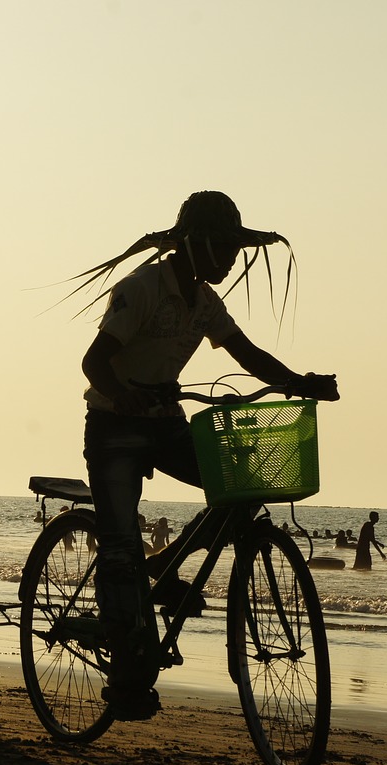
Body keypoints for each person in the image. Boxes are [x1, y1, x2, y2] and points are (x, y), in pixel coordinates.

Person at [75, 191, 339, 721]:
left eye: (234, 251)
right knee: (120, 544)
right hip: (115, 427)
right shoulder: (142, 289)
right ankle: (125, 669)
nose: (229, 260)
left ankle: (166, 563)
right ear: (194, 245)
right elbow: (94, 361)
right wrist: (123, 393)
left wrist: (298, 381)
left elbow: (246, 354)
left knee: (237, 490)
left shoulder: (203, 302)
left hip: (167, 424)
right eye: (221, 248)